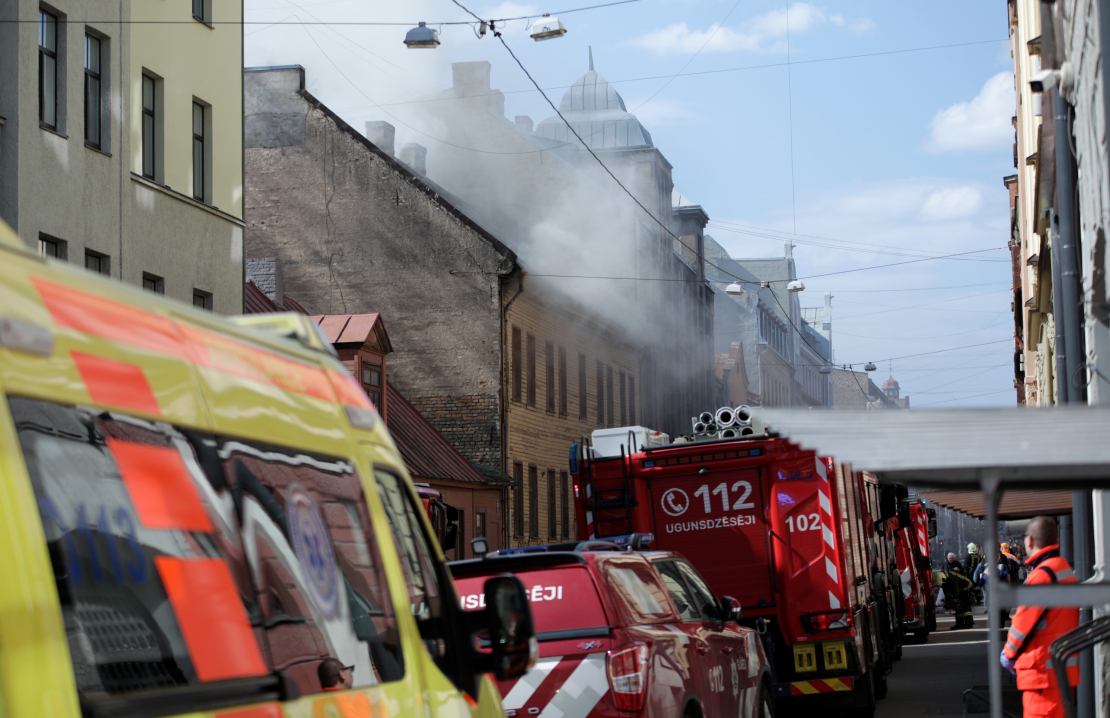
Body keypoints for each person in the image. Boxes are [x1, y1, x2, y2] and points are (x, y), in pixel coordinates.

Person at [1000, 517, 1079, 718]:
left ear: (1030, 541)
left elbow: (1021, 625)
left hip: (1041, 674)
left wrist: (1008, 655)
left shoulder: (1041, 576)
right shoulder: (1063, 569)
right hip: (1061, 671)